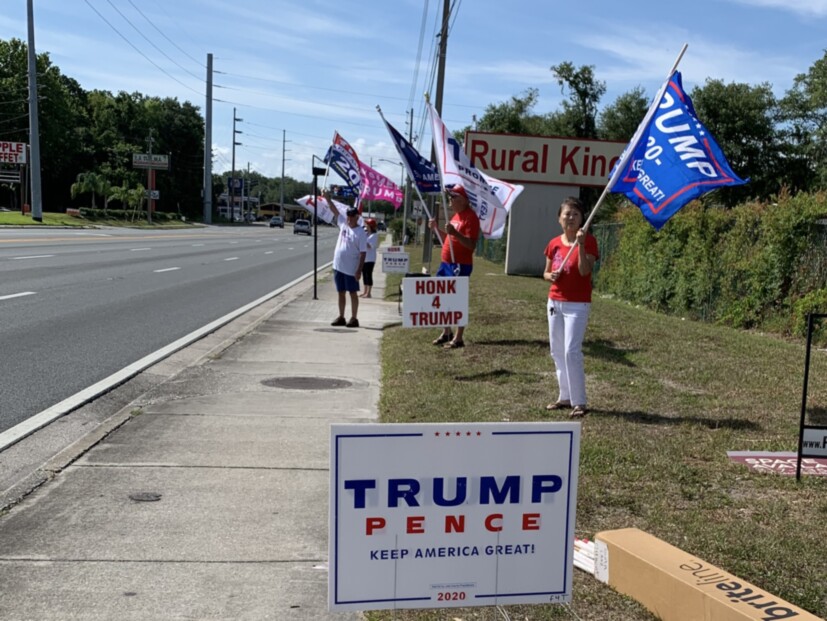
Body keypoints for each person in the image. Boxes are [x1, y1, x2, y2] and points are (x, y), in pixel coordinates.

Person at [543, 196, 599, 418]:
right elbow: (545, 273)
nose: (571, 218)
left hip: (577, 304)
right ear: (559, 218)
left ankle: (580, 401)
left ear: (582, 219)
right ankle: (564, 396)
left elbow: (585, 271)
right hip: (555, 302)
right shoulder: (553, 243)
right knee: (557, 351)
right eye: (567, 214)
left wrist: (582, 245)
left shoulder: (590, 242)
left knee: (570, 351)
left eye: (576, 214)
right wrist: (551, 276)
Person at [428, 183, 480, 349]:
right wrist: (436, 229)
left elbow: (471, 245)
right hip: (446, 263)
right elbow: (449, 240)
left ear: (464, 200)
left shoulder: (470, 217)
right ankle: (446, 331)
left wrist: (455, 233)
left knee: (457, 299)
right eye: (450, 197)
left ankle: (458, 337)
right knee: (441, 297)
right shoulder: (456, 216)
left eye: (453, 196)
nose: (450, 200)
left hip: (460, 264)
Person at [324, 190, 367, 328]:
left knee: (352, 293)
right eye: (348, 216)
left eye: (352, 216)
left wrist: (359, 270)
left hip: (350, 269)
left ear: (357, 217)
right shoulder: (343, 224)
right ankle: (341, 316)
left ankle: (354, 318)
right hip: (338, 266)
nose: (349, 218)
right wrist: (327, 198)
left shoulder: (360, 232)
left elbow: (363, 253)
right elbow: (334, 210)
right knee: (340, 292)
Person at [360, 219, 379, 298]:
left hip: (370, 259)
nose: (365, 226)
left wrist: (363, 239)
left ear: (371, 226)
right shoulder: (366, 234)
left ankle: (369, 293)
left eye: (367, 224)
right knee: (364, 275)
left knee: (368, 275)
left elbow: (369, 246)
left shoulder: (374, 235)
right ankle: (365, 291)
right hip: (364, 258)